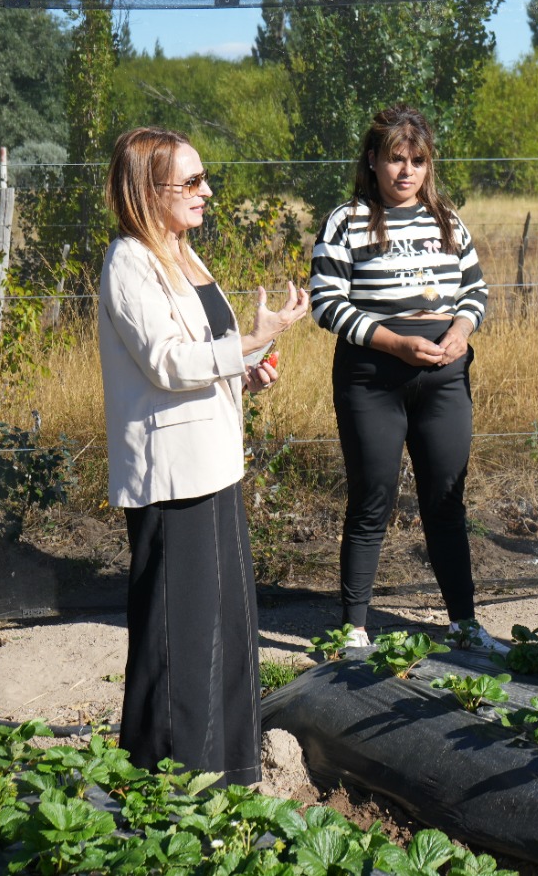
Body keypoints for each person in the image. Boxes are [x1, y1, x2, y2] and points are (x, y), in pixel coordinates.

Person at [98, 126, 309, 785]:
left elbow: (202, 360)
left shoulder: (185, 256)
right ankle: (167, 782)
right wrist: (248, 342)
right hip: (172, 476)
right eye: (191, 181)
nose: (206, 191)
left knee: (226, 628)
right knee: (178, 637)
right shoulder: (130, 262)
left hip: (215, 464)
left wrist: (247, 368)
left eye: (203, 178)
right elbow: (166, 362)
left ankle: (229, 771)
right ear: (147, 190)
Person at [310, 104, 503, 653]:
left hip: (444, 379)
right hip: (373, 379)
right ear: (372, 160)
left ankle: (464, 625)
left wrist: (461, 330)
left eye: (417, 161)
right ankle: (353, 629)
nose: (406, 171)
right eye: (396, 158)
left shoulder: (448, 221)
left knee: (446, 500)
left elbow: (475, 291)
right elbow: (326, 303)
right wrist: (395, 344)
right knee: (372, 499)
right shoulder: (345, 221)